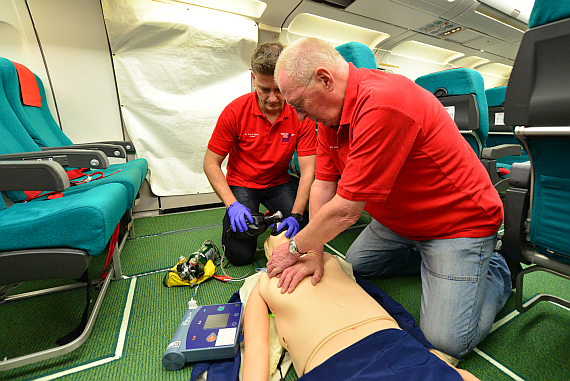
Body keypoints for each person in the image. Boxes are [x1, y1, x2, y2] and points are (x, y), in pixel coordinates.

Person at [266, 37, 512, 358]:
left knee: (448, 341)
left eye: (299, 104)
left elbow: (345, 213)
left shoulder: (384, 103)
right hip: (398, 221)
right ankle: (435, 264)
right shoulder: (328, 115)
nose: (298, 117)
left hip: (457, 224)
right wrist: (313, 253)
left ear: (325, 80)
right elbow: (323, 185)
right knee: (357, 266)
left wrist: (295, 247)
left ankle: (496, 266)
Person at [242, 232, 480, 381]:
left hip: (392, 343)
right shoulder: (263, 285)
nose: (288, 235)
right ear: (271, 254)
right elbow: (257, 347)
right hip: (333, 364)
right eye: (279, 235)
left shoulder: (327, 259)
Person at [203, 42, 317, 266]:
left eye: (279, 90)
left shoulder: (301, 114)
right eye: (265, 89)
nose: (273, 98)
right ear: (254, 79)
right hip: (243, 184)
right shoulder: (234, 112)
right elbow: (210, 163)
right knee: (240, 256)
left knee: (303, 236)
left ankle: (275, 220)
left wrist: (296, 214)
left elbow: (308, 171)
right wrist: (231, 204)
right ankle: (243, 220)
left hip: (278, 184)